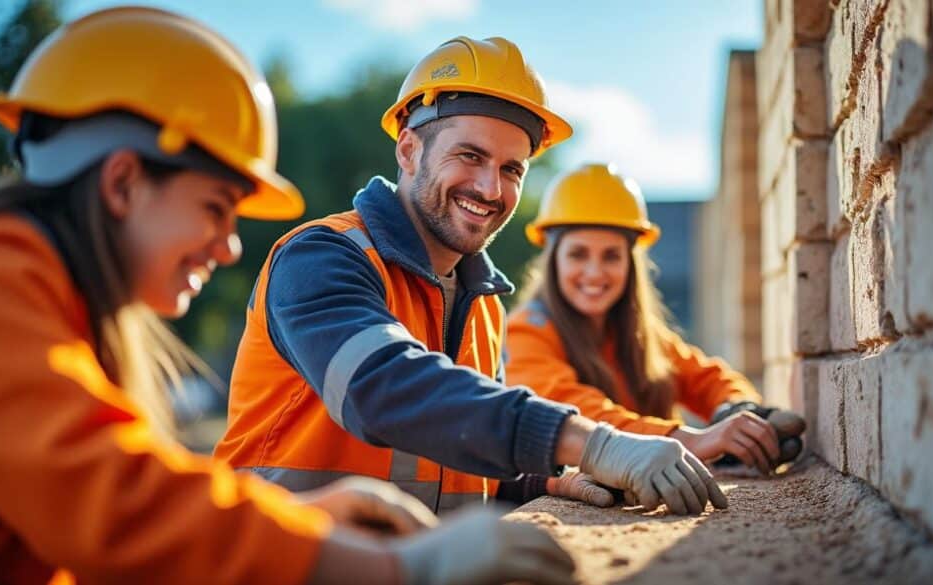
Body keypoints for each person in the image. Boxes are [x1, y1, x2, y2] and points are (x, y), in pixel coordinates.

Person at [0, 8, 581, 584]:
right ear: (122, 182)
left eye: (511, 168)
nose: (229, 248)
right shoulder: (5, 296)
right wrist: (396, 568)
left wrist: (550, 475)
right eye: (216, 208)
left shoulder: (56, 309)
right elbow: (119, 505)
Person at [215, 36, 728, 517]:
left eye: (511, 169)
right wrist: (595, 443)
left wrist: (548, 480)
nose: (490, 188)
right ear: (409, 150)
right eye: (470, 155)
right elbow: (384, 390)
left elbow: (463, 452)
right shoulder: (322, 258)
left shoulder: (483, 306)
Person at [507, 163, 806, 475]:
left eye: (611, 256)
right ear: (553, 259)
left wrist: (738, 410)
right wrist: (690, 441)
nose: (595, 272)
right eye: (578, 254)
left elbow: (705, 378)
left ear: (631, 264)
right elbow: (575, 416)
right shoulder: (526, 331)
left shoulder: (638, 335)